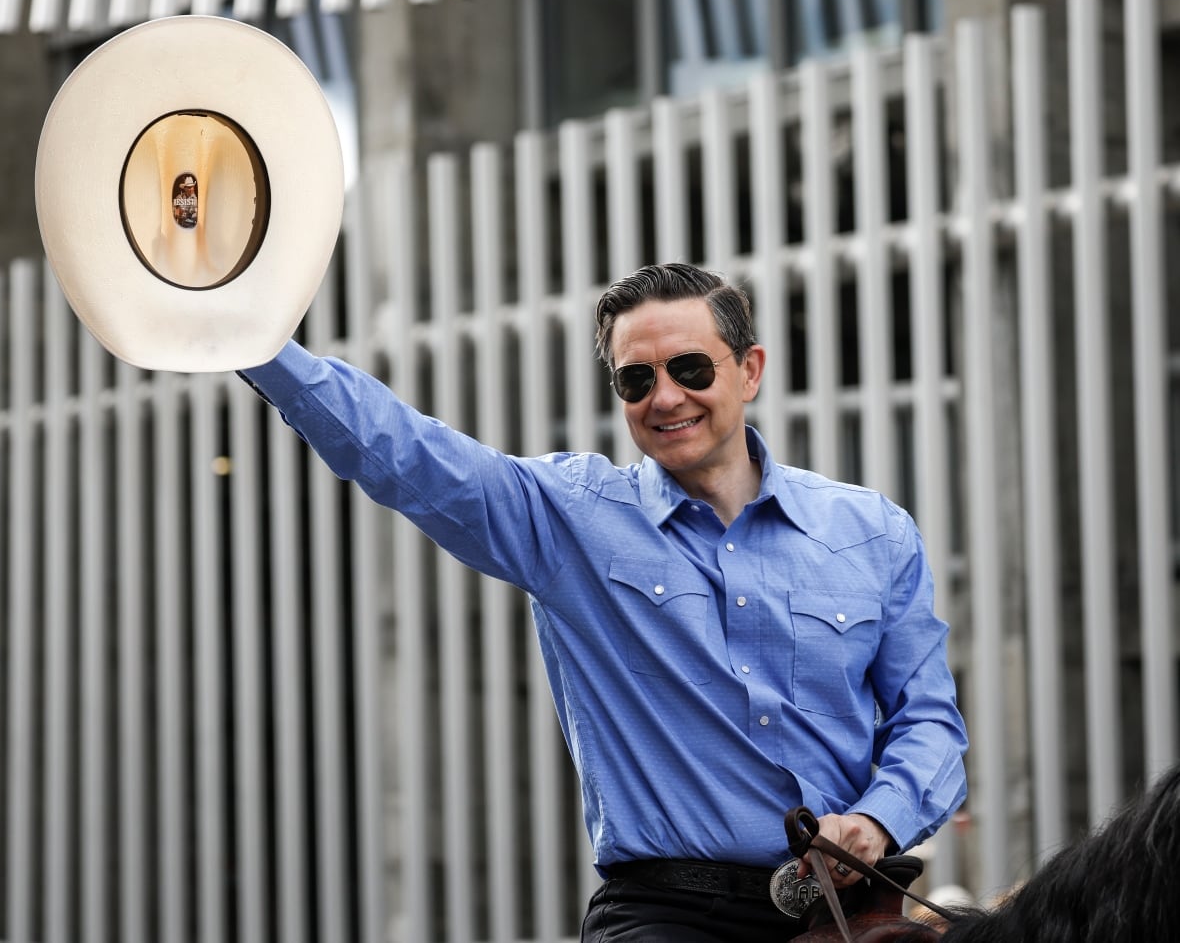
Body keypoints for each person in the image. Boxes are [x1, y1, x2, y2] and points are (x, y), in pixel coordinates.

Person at [239, 262, 968, 942]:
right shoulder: (567, 518)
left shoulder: (872, 530)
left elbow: (929, 720)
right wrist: (247, 337)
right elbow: (400, 449)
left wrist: (878, 819)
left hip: (849, 913)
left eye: (689, 369)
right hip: (666, 916)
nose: (666, 397)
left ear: (749, 371)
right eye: (635, 380)